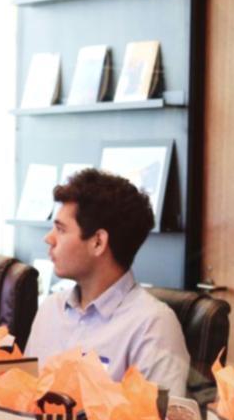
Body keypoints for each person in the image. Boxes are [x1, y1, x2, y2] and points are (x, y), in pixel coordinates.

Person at [24, 168, 190, 396]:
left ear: (98, 242)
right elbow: (20, 403)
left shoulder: (153, 326)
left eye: (61, 229)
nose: (49, 238)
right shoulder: (50, 310)